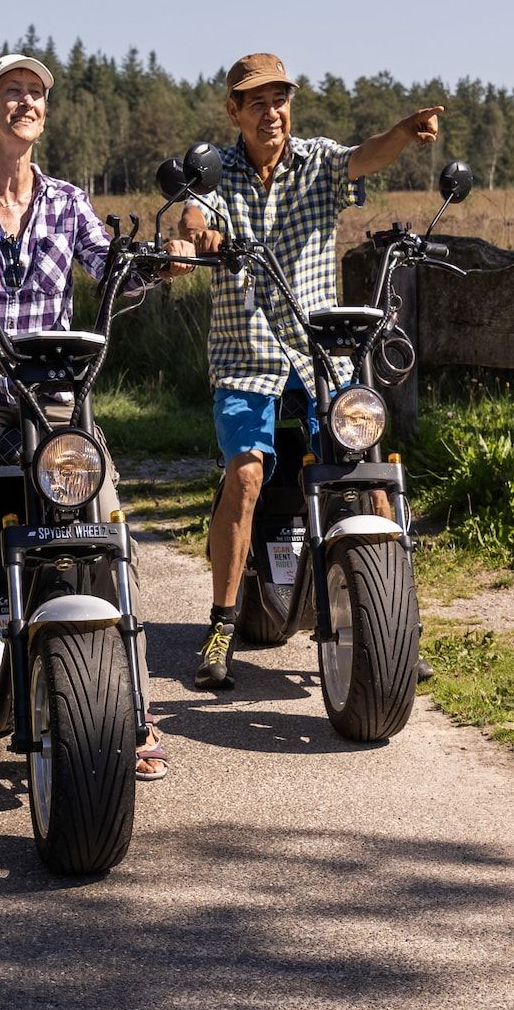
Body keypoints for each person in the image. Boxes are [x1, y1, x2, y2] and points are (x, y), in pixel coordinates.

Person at [0, 53, 189, 799]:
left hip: (53, 398)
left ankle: (136, 709)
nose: (28, 102)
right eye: (12, 93)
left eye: (37, 93)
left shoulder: (69, 202)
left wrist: (161, 262)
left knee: (110, 520)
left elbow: (111, 268)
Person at [180, 52, 442, 689]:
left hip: (319, 349)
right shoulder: (216, 171)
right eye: (257, 102)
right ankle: (221, 625)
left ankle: (398, 622)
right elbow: (191, 215)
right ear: (234, 111)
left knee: (367, 461)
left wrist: (404, 133)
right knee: (244, 475)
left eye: (280, 100)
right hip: (246, 355)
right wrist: (197, 237)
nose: (272, 112)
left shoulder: (316, 161)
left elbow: (364, 156)